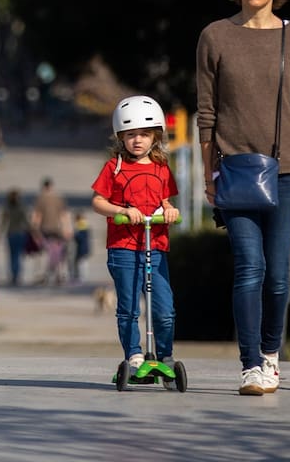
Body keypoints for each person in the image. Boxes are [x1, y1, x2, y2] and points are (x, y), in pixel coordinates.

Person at [196, 0, 290, 396]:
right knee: (249, 267)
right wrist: (206, 170)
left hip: (286, 170)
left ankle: (272, 354)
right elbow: (206, 112)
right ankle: (251, 364)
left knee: (278, 274)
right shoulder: (215, 36)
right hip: (233, 170)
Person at [90, 96, 180, 374]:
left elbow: (165, 200)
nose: (137, 140)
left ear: (155, 136)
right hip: (123, 247)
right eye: (131, 135)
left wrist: (169, 210)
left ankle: (164, 355)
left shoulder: (161, 168)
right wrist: (122, 210)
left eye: (144, 134)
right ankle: (134, 354)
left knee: (164, 310)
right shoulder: (113, 167)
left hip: (155, 246)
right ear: (121, 137)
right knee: (129, 308)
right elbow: (98, 202)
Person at [31, 177, 71, 285]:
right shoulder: (58, 198)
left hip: (45, 229)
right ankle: (60, 274)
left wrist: (34, 230)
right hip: (58, 229)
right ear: (51, 186)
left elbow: (37, 216)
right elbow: (64, 215)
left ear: (44, 187)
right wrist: (67, 229)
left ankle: (45, 275)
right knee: (58, 252)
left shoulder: (40, 199)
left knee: (46, 252)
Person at [0, 189, 31, 286]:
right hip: (21, 233)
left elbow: (3, 222)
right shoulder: (22, 207)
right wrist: (31, 231)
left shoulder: (7, 208)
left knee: (12, 256)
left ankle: (14, 275)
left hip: (11, 233)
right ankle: (17, 275)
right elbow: (26, 222)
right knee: (18, 255)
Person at [69, 210, 91, 284]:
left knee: (81, 264)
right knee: (81, 263)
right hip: (83, 248)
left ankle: (81, 277)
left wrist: (74, 235)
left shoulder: (81, 225)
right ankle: (80, 277)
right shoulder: (84, 224)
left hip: (82, 248)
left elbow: (80, 236)